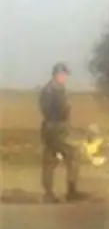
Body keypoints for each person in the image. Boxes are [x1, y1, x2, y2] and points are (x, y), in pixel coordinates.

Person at [39, 62, 87, 203]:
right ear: (58, 75)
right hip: (57, 128)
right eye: (64, 75)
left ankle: (49, 193)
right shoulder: (56, 90)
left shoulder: (48, 89)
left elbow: (46, 110)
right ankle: (71, 192)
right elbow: (57, 111)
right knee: (72, 156)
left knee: (49, 161)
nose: (65, 77)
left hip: (50, 128)